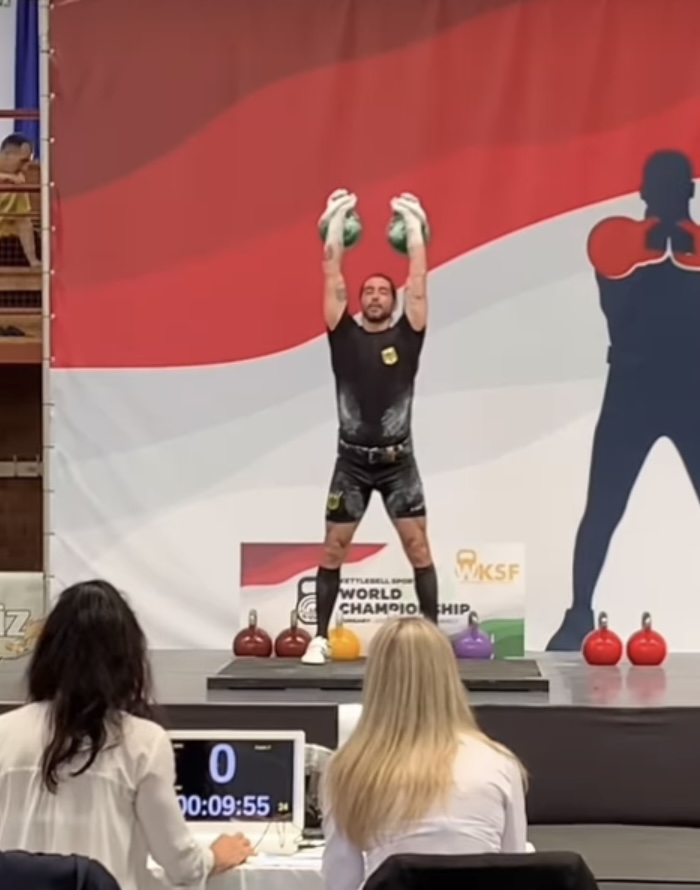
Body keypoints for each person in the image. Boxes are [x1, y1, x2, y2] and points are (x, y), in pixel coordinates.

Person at [0, 580, 252, 890]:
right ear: (127, 660)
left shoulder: (4, 732)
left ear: (47, 654)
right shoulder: (144, 743)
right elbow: (180, 864)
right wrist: (213, 857)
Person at [548, 150, 700, 649]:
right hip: (634, 388)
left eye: (677, 183)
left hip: (692, 390)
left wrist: (680, 243)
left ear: (691, 191)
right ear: (643, 193)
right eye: (662, 183)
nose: (670, 192)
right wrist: (666, 242)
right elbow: (619, 275)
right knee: (604, 504)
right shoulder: (615, 238)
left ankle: (578, 613)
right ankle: (578, 614)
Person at [303, 189, 438, 665]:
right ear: (360, 302)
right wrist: (336, 218)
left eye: (384, 291)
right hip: (352, 465)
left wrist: (414, 228)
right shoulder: (344, 335)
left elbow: (418, 282)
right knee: (333, 548)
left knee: (418, 547)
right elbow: (331, 272)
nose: (376, 296)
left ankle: (432, 640)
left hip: (399, 464)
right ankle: (320, 638)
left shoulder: (408, 334)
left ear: (393, 301)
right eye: (369, 292)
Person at [321, 617, 528, 890]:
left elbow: (341, 881)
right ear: (448, 674)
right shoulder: (499, 764)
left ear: (376, 677)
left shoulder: (346, 769)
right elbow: (516, 870)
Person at [0, 133, 40, 267]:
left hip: (6, 243)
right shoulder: (13, 179)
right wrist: (5, 178)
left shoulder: (19, 181)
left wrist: (33, 260)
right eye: (22, 161)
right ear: (6, 155)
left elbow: (23, 221)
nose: (25, 168)